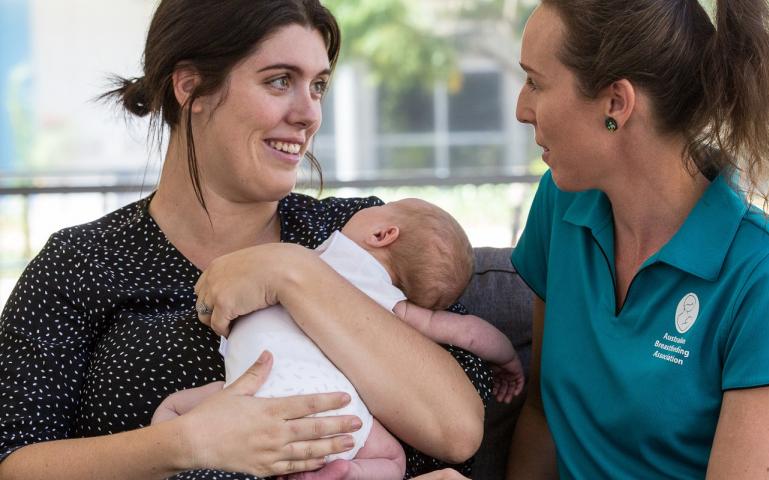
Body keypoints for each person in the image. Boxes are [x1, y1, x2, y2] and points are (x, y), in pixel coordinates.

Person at [0, 1, 488, 479]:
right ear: (191, 87)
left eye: (317, 86)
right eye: (279, 80)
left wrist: (292, 273)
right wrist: (185, 443)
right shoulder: (81, 263)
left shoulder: (361, 234)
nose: (308, 113)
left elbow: (460, 430)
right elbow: (15, 460)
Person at [507, 1, 769, 479]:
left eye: (536, 82)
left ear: (616, 103)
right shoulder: (560, 208)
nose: (521, 109)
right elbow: (542, 417)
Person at [159, 198, 524, 480]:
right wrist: (508, 360)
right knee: (391, 460)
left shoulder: (310, 256)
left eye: (381, 209)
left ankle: (168, 442)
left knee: (174, 408)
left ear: (383, 233)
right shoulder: (389, 306)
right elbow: (469, 332)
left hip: (246, 397)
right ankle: (345, 472)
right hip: (331, 409)